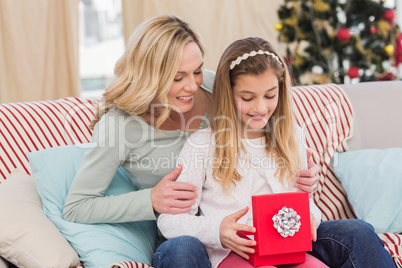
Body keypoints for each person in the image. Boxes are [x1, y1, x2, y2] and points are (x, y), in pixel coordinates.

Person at [63, 15, 320, 266]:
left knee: (353, 233)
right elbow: (77, 206)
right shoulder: (118, 126)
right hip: (180, 234)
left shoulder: (211, 86)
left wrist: (303, 175)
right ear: (148, 75)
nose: (192, 86)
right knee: (184, 249)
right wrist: (149, 199)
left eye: (196, 71)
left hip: (245, 231)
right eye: (178, 77)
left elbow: (266, 121)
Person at [157, 37, 395, 268]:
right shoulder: (203, 144)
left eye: (270, 96)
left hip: (289, 247)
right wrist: (217, 230)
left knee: (359, 231)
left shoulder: (291, 135)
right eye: (247, 98)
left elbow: (305, 201)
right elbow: (170, 221)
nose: (261, 108)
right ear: (227, 94)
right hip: (232, 251)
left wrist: (311, 216)